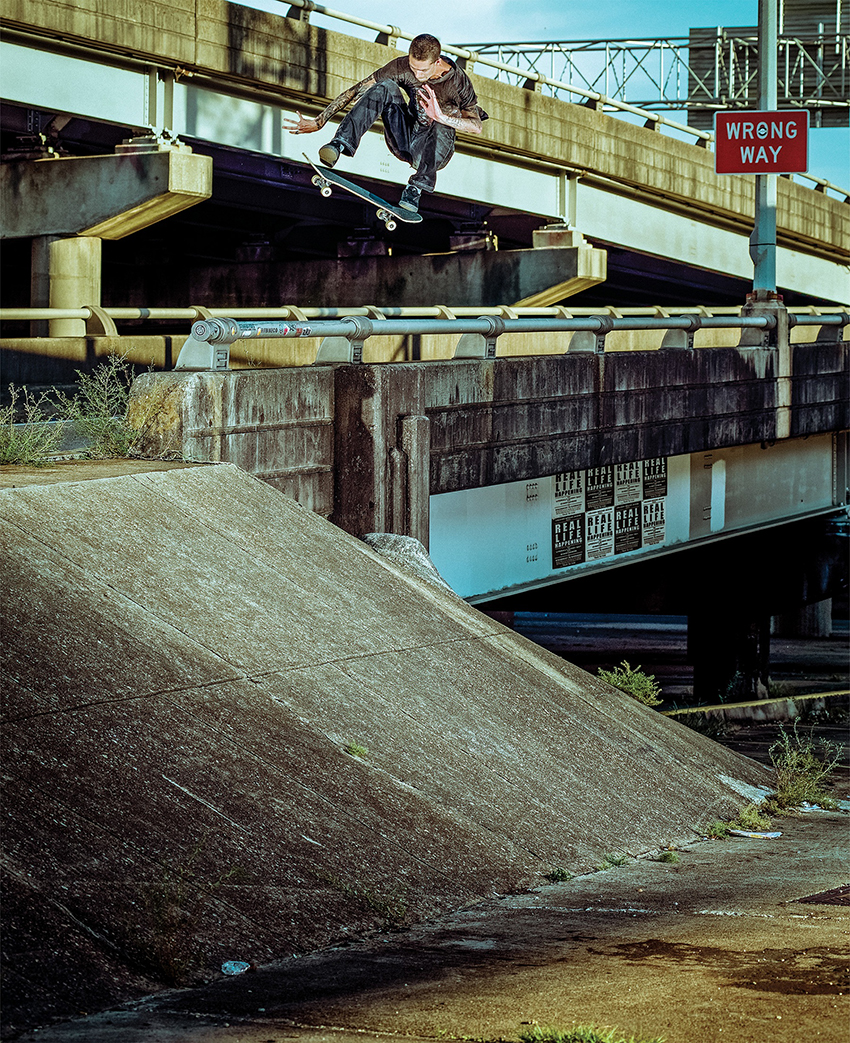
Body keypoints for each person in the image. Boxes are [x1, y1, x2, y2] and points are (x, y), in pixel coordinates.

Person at [284, 34, 487, 213]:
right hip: (405, 138)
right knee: (384, 86)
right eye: (413, 68)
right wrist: (320, 121)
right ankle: (340, 143)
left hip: (434, 150)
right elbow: (358, 90)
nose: (417, 75)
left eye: (423, 70)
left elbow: (476, 126)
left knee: (446, 115)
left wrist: (440, 116)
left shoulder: (458, 81)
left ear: (437, 62)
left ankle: (415, 189)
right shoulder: (401, 67)